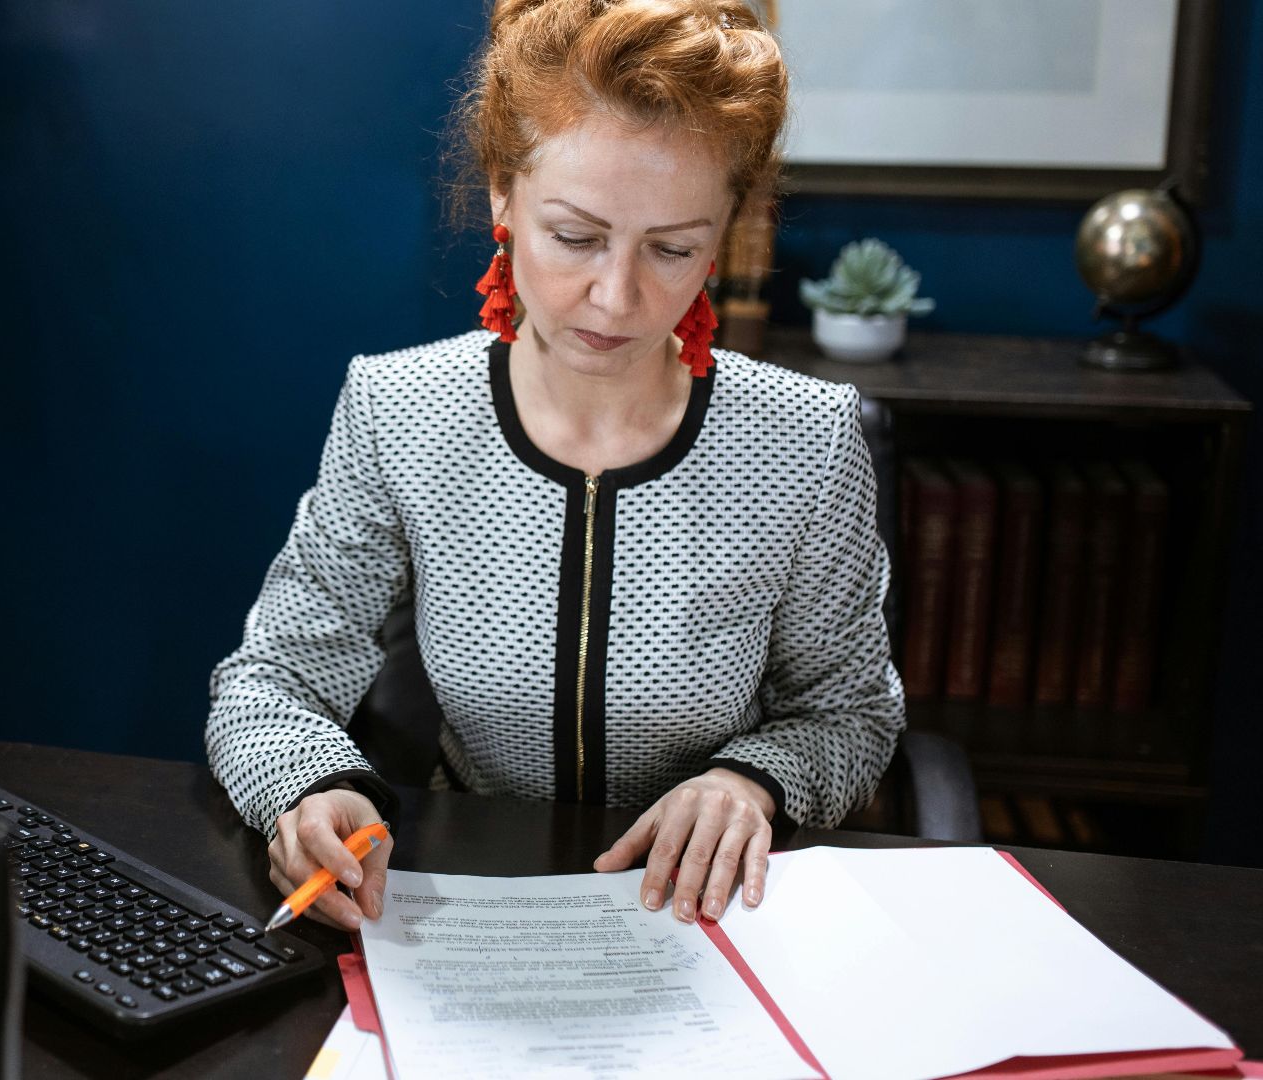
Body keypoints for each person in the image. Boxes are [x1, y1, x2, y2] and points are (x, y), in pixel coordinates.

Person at [206, 0, 903, 932]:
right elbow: (271, 682)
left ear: (727, 231)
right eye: (575, 237)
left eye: (673, 249)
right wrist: (304, 791)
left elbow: (852, 716)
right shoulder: (399, 409)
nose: (615, 297)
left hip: (706, 911)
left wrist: (751, 782)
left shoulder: (803, 439)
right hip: (465, 898)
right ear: (504, 193)